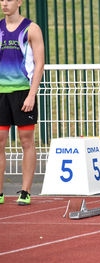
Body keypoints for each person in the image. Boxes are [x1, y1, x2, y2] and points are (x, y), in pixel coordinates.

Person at [0, 0, 44, 205]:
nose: (4, 3)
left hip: (22, 92)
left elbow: (39, 63)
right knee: (0, 142)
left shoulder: (31, 29)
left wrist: (32, 94)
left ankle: (25, 191)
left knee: (26, 141)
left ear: (19, 2)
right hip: (1, 94)